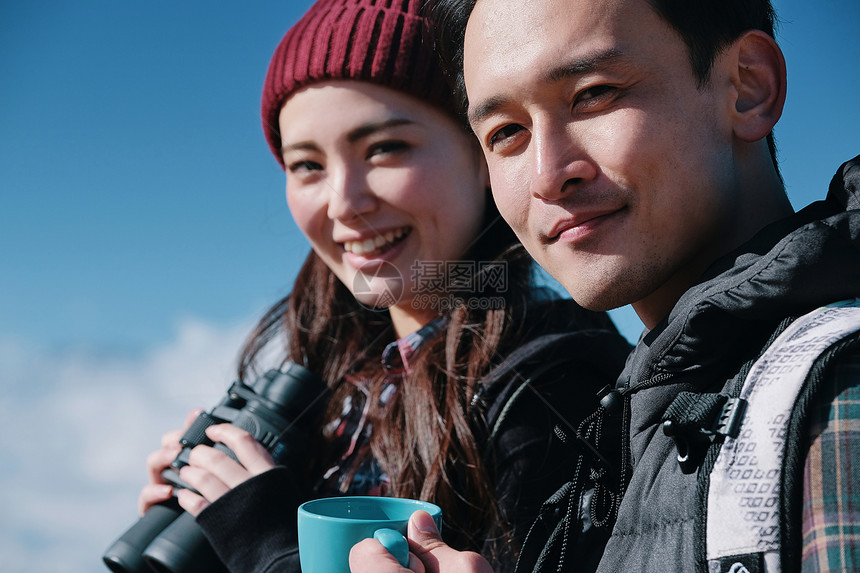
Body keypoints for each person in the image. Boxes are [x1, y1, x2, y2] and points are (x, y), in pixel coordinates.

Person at [349, 0, 860, 571]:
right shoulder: (638, 418)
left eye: (593, 94)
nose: (548, 174)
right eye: (507, 132)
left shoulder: (837, 387)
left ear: (748, 86)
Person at [136, 0, 632, 572]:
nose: (345, 202)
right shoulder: (335, 378)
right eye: (306, 165)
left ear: (484, 151)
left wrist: (264, 544)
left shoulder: (554, 387)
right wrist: (215, 532)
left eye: (385, 149)